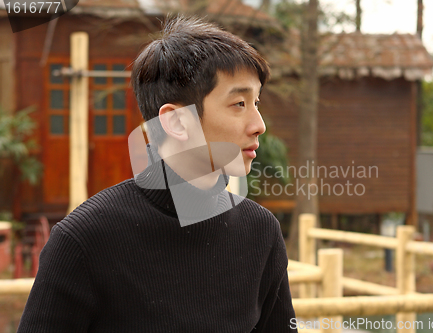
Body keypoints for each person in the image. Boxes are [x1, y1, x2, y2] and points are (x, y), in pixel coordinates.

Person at [17, 15, 297, 332]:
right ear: (177, 122)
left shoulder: (260, 233)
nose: (259, 124)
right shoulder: (85, 239)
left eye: (256, 102)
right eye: (239, 103)